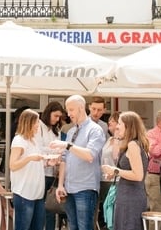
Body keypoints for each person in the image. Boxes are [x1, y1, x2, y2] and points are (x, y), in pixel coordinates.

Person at [50, 94, 105, 230]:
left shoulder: (95, 130)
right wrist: (61, 185)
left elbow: (90, 155)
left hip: (86, 188)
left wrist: (67, 146)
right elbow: (64, 160)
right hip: (69, 188)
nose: (68, 114)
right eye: (67, 110)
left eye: (71, 110)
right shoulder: (71, 131)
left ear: (81, 108)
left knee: (84, 227)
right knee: (72, 227)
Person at [102, 111, 149, 230]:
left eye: (119, 123)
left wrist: (116, 171)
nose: (117, 126)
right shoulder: (131, 144)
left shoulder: (133, 145)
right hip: (128, 195)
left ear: (128, 126)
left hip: (131, 198)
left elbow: (138, 175)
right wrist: (114, 174)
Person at [10, 109, 46, 230]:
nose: (38, 125)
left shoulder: (34, 141)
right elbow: (13, 165)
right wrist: (29, 158)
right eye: (36, 122)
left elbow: (34, 164)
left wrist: (47, 163)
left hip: (37, 193)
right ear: (29, 123)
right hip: (24, 193)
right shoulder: (19, 140)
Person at [39, 101, 65, 230]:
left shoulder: (57, 130)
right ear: (48, 113)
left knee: (51, 207)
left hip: (53, 173)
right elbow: (38, 148)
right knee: (41, 206)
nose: (57, 119)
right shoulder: (38, 126)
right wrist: (53, 153)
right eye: (55, 116)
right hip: (42, 172)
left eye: (59, 116)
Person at [99, 111, 120, 228]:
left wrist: (117, 136)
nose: (109, 124)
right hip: (104, 179)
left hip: (115, 180)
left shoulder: (120, 140)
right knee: (106, 211)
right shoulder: (109, 139)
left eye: (111, 122)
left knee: (112, 212)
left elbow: (116, 157)